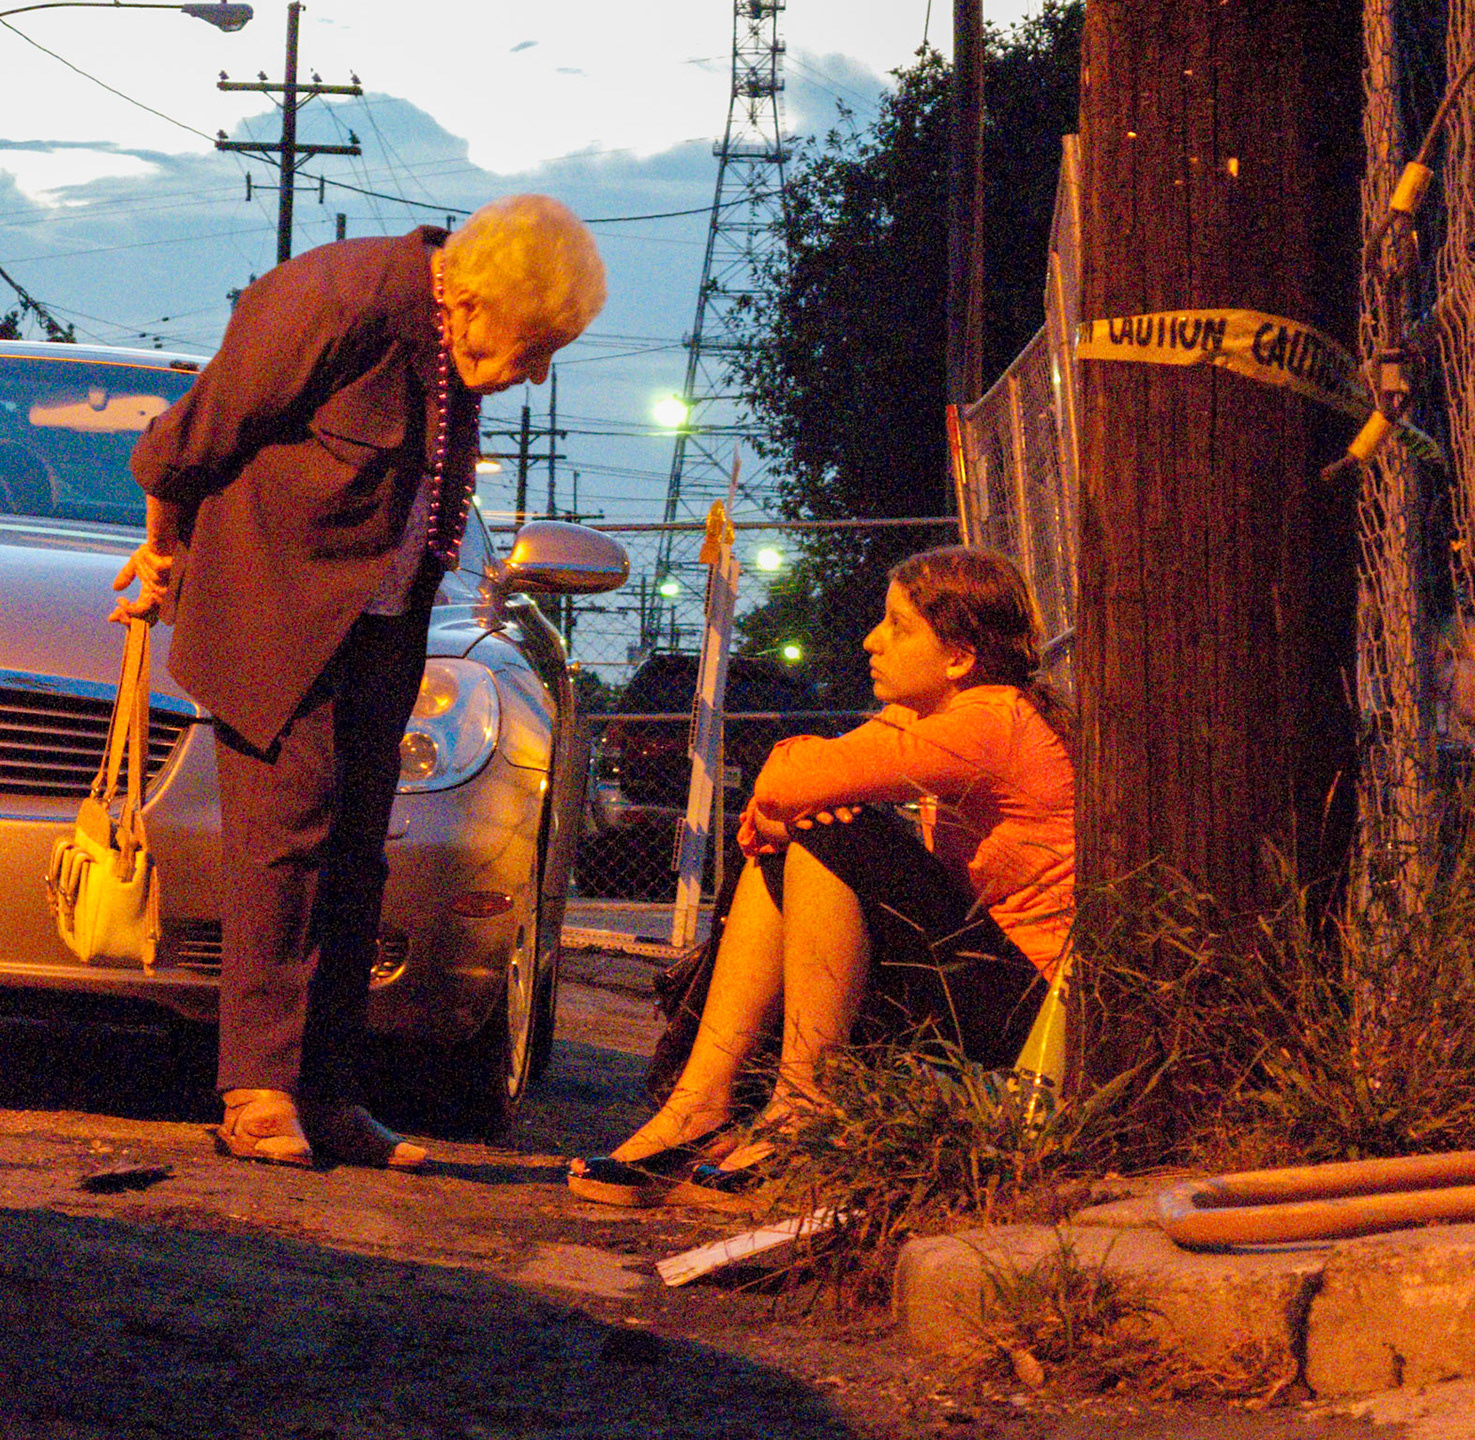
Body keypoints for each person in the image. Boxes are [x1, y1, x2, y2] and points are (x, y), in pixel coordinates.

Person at [112, 195, 606, 1170]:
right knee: (285, 845)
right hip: (279, 608)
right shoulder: (337, 302)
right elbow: (190, 440)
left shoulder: (454, 336)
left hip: (383, 622)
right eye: (534, 345)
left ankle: (333, 1101)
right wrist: (162, 551)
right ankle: (257, 1095)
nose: (534, 372)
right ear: (477, 301)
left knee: (356, 862)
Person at [568, 546, 1075, 1204]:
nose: (872, 641)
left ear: (958, 656)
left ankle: (800, 1109)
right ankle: (701, 1106)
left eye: (898, 625)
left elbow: (787, 781)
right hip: (979, 988)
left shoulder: (990, 719)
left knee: (832, 832)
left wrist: (789, 813)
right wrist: (784, 815)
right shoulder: (942, 719)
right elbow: (792, 790)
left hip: (1028, 1016)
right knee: (809, 834)